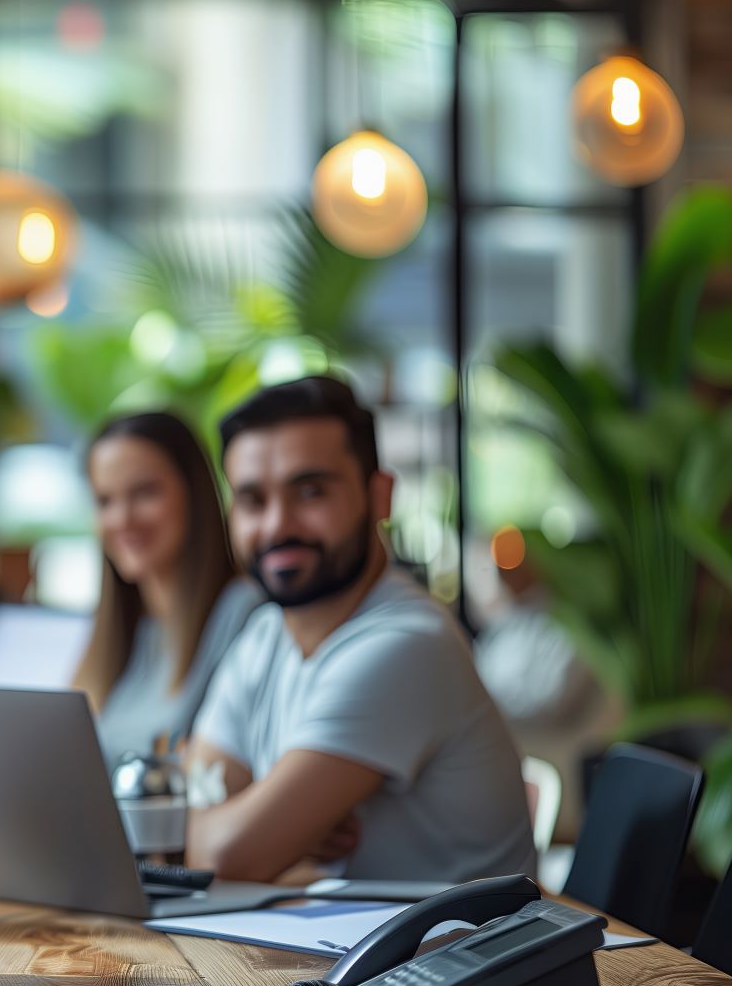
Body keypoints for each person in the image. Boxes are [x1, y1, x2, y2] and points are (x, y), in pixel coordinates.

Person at [185, 376, 534, 884]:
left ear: (380, 496)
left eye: (310, 491)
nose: (279, 525)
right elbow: (188, 814)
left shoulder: (407, 645)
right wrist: (281, 827)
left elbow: (223, 859)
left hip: (454, 957)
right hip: (340, 950)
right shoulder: (264, 636)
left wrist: (270, 828)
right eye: (253, 500)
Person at [72, 411, 260, 760]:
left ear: (194, 493)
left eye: (144, 493)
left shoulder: (245, 613)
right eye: (105, 501)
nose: (122, 519)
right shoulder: (124, 635)